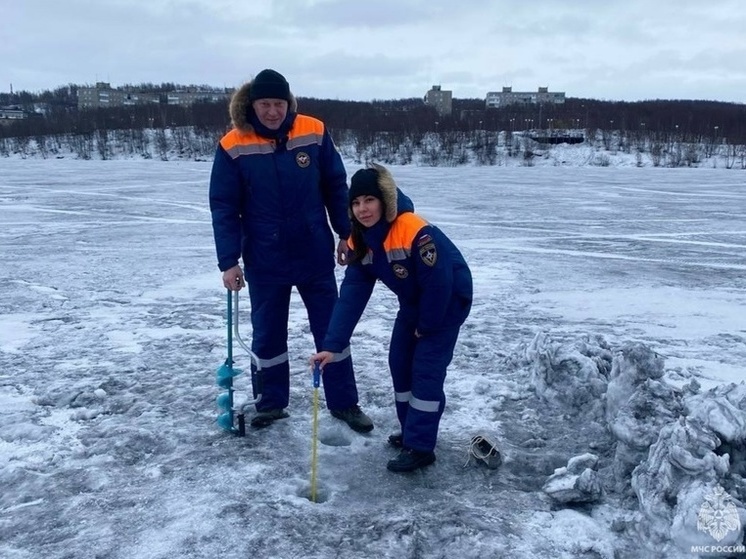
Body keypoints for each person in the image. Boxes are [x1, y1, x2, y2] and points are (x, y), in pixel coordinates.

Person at [209, 69, 373, 433]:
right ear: (252, 105)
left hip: (313, 252)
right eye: (265, 104)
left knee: (333, 332)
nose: (272, 111)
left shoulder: (312, 131)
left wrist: (347, 234)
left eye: (279, 103)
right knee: (267, 335)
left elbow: (334, 185)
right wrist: (228, 260)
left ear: (289, 103)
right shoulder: (233, 144)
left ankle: (344, 403)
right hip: (265, 258)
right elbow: (223, 206)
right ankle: (269, 404)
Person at [310, 163, 473, 472]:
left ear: (384, 200)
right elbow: (353, 294)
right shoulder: (362, 239)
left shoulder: (412, 228)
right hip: (414, 303)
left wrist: (426, 327)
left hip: (447, 303)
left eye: (369, 200)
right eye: (356, 202)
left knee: (425, 371)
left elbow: (440, 283)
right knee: (399, 362)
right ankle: (412, 430)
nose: (362, 209)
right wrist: (332, 345)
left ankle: (421, 447)